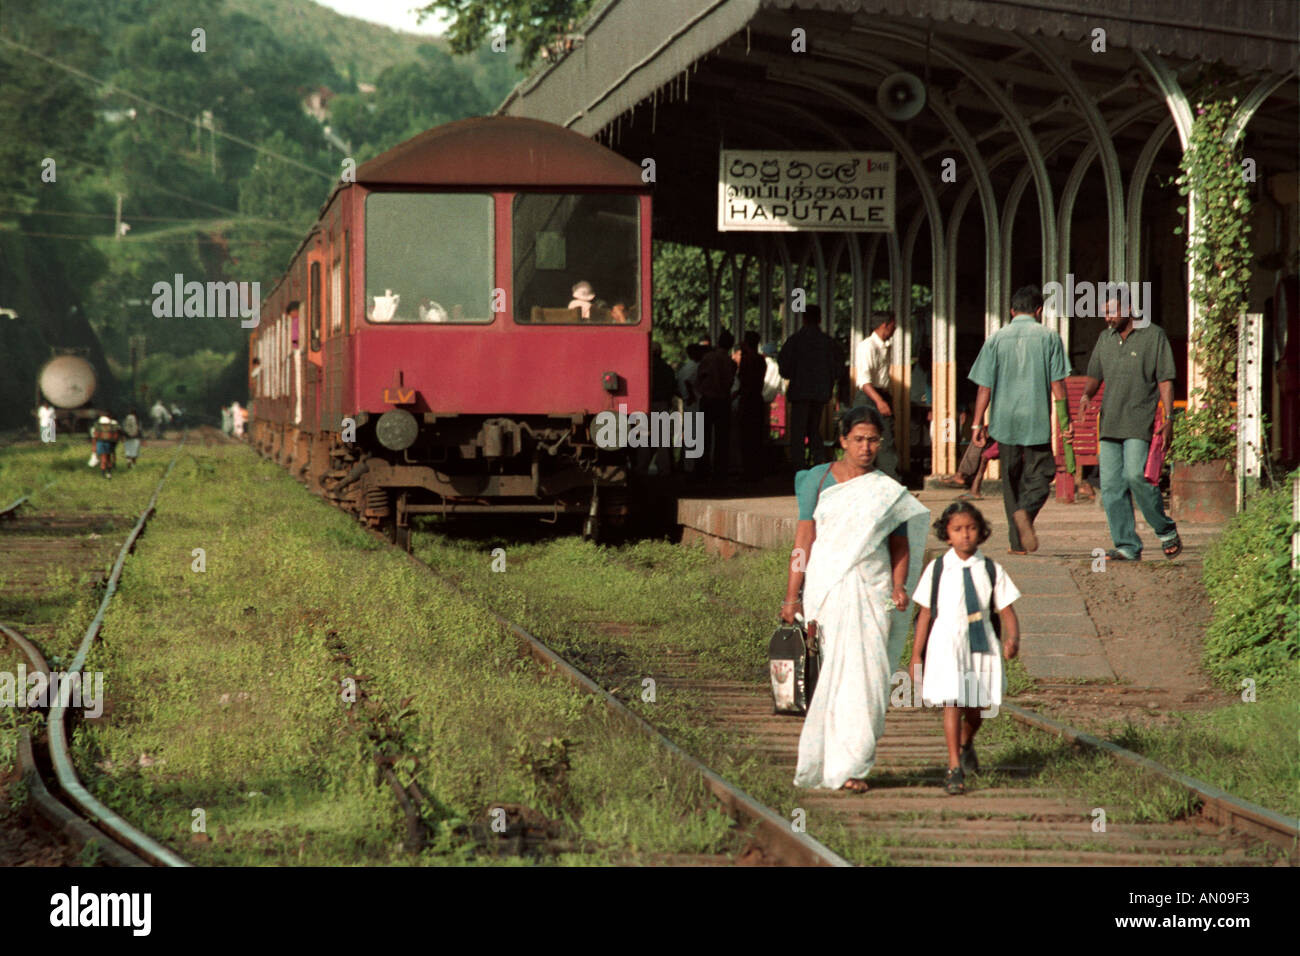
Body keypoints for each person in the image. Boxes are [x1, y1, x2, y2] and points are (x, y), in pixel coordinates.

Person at [783, 406, 929, 792]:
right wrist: (791, 595)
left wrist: (899, 587)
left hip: (873, 589)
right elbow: (803, 541)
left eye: (873, 440)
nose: (866, 447)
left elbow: (900, 546)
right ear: (843, 440)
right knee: (836, 674)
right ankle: (835, 764)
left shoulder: (887, 490)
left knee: (869, 677)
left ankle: (854, 764)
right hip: (828, 588)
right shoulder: (816, 480)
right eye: (859, 439)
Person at [911, 501, 1022, 795]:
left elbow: (1007, 610)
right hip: (946, 641)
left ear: (981, 532)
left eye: (971, 528)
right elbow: (924, 614)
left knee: (977, 707)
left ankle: (965, 741)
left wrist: (1012, 638)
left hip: (981, 641)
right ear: (946, 535)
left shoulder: (991, 569)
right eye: (958, 529)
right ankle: (953, 766)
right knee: (953, 701)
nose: (965, 535)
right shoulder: (937, 569)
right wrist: (915, 656)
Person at [969, 285, 1072, 554]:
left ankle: (1017, 544)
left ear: (1012, 311)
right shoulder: (1050, 337)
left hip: (1004, 421)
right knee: (1043, 473)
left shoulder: (995, 339)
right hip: (1036, 420)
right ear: (1039, 311)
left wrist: (977, 423)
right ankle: (1026, 511)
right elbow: (1058, 385)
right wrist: (1065, 422)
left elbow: (984, 387)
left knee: (1011, 480)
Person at [1081, 298, 1181, 560]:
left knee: (1137, 476)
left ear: (1128, 309)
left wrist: (1169, 417)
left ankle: (1165, 529)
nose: (1107, 319)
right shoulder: (1105, 338)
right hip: (1110, 422)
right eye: (1104, 314)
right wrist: (1086, 395)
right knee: (1112, 485)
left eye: (1111, 313)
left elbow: (1165, 380)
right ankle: (1127, 545)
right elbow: (1094, 374)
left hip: (1140, 420)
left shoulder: (1154, 335)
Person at [778, 305, 840, 471]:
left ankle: (799, 468)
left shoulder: (794, 341)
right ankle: (819, 463)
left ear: (803, 319)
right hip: (820, 394)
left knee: (798, 432)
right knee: (814, 429)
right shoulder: (828, 342)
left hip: (799, 393)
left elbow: (784, 369)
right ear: (819, 319)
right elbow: (837, 368)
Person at [855, 312, 902, 481]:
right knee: (870, 439)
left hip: (881, 394)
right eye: (893, 325)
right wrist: (880, 402)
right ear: (885, 325)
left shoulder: (884, 346)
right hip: (870, 396)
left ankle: (888, 481)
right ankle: (890, 483)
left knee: (885, 439)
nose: (895, 328)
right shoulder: (867, 347)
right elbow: (864, 381)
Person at [695, 330, 736, 483]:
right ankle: (720, 472)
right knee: (722, 439)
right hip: (723, 402)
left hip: (708, 401)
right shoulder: (731, 362)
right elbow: (731, 382)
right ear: (731, 345)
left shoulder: (708, 358)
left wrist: (703, 390)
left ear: (718, 342)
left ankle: (702, 470)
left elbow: (699, 379)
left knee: (703, 438)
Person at [736, 331, 767, 478]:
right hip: (758, 399)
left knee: (746, 437)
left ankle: (748, 470)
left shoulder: (747, 360)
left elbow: (743, 380)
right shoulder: (761, 360)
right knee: (756, 437)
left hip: (748, 400)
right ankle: (757, 469)